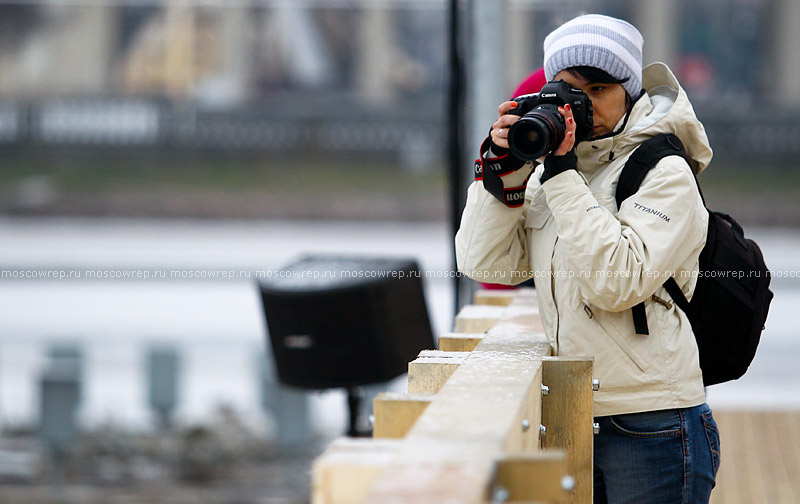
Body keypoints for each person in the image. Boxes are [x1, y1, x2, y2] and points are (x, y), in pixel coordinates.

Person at [455, 14, 720, 504]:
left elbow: (616, 283)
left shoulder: (663, 171)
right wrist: (502, 176)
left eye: (599, 88)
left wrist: (559, 171)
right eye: (567, 90)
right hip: (573, 413)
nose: (582, 104)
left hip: (654, 425)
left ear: (631, 93)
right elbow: (487, 264)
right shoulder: (554, 172)